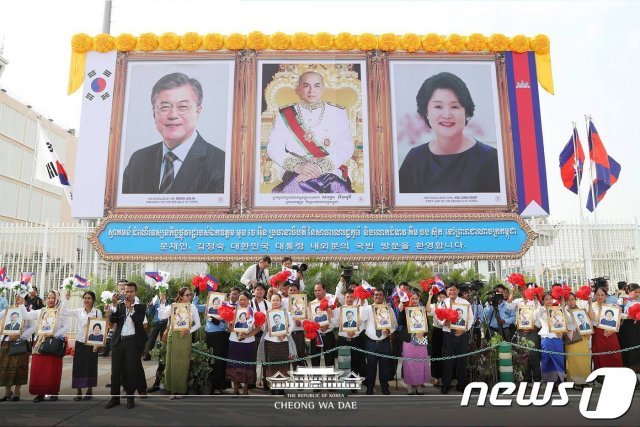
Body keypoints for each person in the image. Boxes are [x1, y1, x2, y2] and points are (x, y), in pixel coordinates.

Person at [122, 72, 225, 194]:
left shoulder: (221, 163)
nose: (173, 115)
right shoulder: (138, 160)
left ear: (198, 111)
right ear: (154, 112)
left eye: (183, 107)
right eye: (165, 107)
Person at [399, 72, 500, 194]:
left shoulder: (490, 159)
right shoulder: (415, 158)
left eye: (455, 107)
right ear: (426, 113)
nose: (447, 115)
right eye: (438, 107)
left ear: (466, 112)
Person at [266, 71, 355, 194]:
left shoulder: (337, 112)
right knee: (296, 188)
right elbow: (274, 149)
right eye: (306, 85)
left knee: (338, 190)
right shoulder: (285, 114)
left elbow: (346, 147)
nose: (311, 90)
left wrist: (320, 167)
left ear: (323, 89)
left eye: (317, 85)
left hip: (330, 170)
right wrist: (299, 167)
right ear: (299, 89)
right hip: (295, 172)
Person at [20, 290, 70, 403]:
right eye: (49, 297)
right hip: (40, 343)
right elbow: (25, 315)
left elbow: (67, 326)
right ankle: (40, 393)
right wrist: (22, 301)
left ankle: (53, 392)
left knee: (53, 369)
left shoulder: (61, 312)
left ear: (57, 299)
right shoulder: (40, 311)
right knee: (39, 369)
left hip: (54, 343)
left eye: (53, 298)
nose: (51, 300)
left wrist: (55, 335)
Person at [105, 282, 148, 410]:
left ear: (135, 293)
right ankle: (114, 398)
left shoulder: (141, 307)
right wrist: (113, 306)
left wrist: (131, 309)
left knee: (131, 371)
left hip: (132, 343)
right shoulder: (120, 306)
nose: (128, 294)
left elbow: (140, 322)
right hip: (118, 342)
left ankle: (130, 398)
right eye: (126, 291)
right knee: (115, 371)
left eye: (131, 292)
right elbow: (113, 322)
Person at [158, 287, 201, 399]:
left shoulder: (192, 307)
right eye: (187, 295)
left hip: (185, 336)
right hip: (173, 336)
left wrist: (188, 330)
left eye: (190, 294)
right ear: (181, 296)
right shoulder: (173, 305)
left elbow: (198, 324)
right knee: (171, 363)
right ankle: (172, 390)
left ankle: (180, 390)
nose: (189, 297)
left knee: (183, 364)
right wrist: (162, 302)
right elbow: (161, 316)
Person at [60, 290, 102, 401]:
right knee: (78, 367)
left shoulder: (97, 312)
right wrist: (66, 299)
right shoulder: (79, 311)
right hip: (80, 342)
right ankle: (78, 391)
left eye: (89, 298)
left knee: (91, 366)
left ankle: (89, 390)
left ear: (93, 300)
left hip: (92, 343)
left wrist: (97, 345)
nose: (86, 300)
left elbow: (101, 328)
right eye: (85, 298)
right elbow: (64, 312)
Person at [436, 283, 472, 394]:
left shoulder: (465, 303)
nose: (452, 292)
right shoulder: (442, 303)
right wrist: (444, 322)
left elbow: (471, 318)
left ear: (458, 291)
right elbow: (438, 317)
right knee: (448, 360)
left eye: (454, 290)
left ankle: (461, 385)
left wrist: (464, 330)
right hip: (448, 334)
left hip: (461, 334)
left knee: (461, 360)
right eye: (450, 290)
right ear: (446, 291)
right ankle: (446, 384)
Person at [0, 295, 35, 402]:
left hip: (21, 343)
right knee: (6, 367)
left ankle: (17, 391)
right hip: (6, 342)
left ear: (24, 300)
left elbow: (34, 327)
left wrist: (20, 335)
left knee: (20, 367)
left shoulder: (29, 311)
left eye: (20, 298)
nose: (17, 300)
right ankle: (7, 391)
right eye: (16, 298)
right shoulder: (9, 310)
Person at [226, 291, 261, 396]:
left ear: (248, 300)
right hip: (234, 341)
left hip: (248, 342)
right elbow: (229, 329)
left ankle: (246, 389)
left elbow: (258, 328)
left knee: (247, 365)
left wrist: (248, 335)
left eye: (244, 299)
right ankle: (235, 388)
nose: (241, 301)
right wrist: (230, 324)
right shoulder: (233, 312)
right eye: (240, 299)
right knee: (234, 364)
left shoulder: (253, 312)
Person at [362, 289, 396, 395]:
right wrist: (362, 305)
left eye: (380, 295)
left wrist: (389, 330)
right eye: (376, 295)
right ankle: (370, 388)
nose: (377, 297)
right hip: (371, 343)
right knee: (370, 367)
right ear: (373, 297)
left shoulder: (388, 309)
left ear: (383, 297)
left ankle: (385, 388)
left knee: (385, 367)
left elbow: (395, 324)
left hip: (384, 342)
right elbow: (362, 320)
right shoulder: (367, 308)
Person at [534, 292, 573, 384]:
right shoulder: (541, 310)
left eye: (550, 299)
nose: (549, 301)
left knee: (558, 358)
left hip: (558, 337)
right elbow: (535, 318)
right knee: (547, 359)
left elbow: (568, 320)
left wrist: (563, 306)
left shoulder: (558, 309)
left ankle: (559, 380)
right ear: (543, 301)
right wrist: (537, 304)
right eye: (546, 299)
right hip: (546, 338)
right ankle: (548, 381)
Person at [260, 294, 294, 395]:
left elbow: (291, 325)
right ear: (271, 301)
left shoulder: (286, 313)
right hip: (270, 342)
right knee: (271, 365)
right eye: (273, 300)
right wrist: (263, 323)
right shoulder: (266, 313)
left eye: (277, 300)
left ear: (280, 301)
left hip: (283, 342)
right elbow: (262, 327)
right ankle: (272, 387)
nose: (275, 302)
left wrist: (285, 334)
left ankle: (282, 387)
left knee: (283, 365)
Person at [398, 290, 431, 395]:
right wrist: (401, 310)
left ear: (419, 299)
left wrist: (423, 333)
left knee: (420, 363)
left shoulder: (422, 310)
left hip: (420, 339)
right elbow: (399, 322)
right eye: (412, 298)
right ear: (409, 299)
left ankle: (419, 386)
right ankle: (409, 386)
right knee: (409, 363)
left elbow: (427, 326)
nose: (414, 300)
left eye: (416, 298)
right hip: (409, 340)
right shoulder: (405, 310)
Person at [507, 284, 541, 383]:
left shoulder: (534, 301)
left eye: (524, 289)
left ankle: (537, 379)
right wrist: (512, 291)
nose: (523, 292)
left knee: (534, 355)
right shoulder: (517, 301)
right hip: (521, 332)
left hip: (533, 331)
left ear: (528, 290)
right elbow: (509, 306)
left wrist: (534, 327)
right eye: (521, 290)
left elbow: (539, 317)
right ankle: (527, 379)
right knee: (523, 355)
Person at [333, 289, 365, 390]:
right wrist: (330, 317)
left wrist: (355, 332)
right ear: (344, 298)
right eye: (347, 297)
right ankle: (344, 385)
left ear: (354, 298)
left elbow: (363, 324)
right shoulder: (339, 310)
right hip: (343, 340)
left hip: (356, 340)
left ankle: (353, 385)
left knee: (355, 363)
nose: (349, 299)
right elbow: (334, 323)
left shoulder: (358, 309)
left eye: (351, 297)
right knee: (343, 363)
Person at [565, 292, 593, 390]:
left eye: (572, 299)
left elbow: (588, 320)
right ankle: (574, 382)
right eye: (568, 299)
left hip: (583, 337)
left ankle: (584, 381)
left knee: (584, 359)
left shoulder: (580, 310)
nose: (571, 301)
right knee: (573, 360)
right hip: (572, 338)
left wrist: (589, 330)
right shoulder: (564, 310)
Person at [592, 287, 623, 370]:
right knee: (600, 353)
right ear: (595, 296)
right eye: (598, 295)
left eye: (602, 295)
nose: (600, 297)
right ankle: (601, 375)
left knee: (614, 353)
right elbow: (590, 318)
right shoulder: (591, 306)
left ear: (606, 296)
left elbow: (618, 319)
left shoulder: (611, 306)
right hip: (598, 333)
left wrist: (612, 330)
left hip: (611, 333)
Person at [309, 283, 337, 369]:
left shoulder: (331, 303)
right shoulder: (311, 304)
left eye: (319, 290)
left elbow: (336, 320)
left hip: (328, 335)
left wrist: (328, 326)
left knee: (329, 360)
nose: (317, 292)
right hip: (316, 335)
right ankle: (315, 380)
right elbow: (309, 320)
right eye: (315, 290)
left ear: (324, 291)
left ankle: (331, 381)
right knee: (315, 360)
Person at [618, 283, 640, 383]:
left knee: (637, 351)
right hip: (627, 327)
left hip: (637, 327)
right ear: (629, 291)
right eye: (635, 292)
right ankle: (629, 375)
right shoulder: (622, 300)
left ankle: (637, 375)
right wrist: (628, 316)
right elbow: (616, 312)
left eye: (639, 292)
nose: (637, 294)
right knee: (628, 351)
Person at [286, 282, 307, 368]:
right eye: (291, 290)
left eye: (295, 290)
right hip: (287, 333)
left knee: (300, 355)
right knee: (288, 356)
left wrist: (301, 322)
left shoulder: (303, 301)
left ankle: (299, 376)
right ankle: (288, 376)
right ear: (288, 291)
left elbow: (308, 317)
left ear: (298, 291)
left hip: (298, 332)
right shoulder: (283, 301)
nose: (292, 291)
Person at [143, 292, 169, 361]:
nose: (162, 295)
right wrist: (150, 305)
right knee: (151, 339)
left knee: (163, 339)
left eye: (163, 293)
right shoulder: (156, 302)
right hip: (156, 322)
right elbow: (149, 312)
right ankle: (147, 355)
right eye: (160, 293)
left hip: (165, 323)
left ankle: (162, 355)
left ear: (166, 294)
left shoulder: (169, 302)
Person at [429, 290, 447, 388]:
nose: (442, 298)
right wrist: (429, 296)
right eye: (440, 297)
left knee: (446, 354)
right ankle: (436, 378)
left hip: (446, 331)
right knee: (436, 354)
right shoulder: (434, 306)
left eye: (444, 297)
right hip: (437, 331)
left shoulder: (449, 307)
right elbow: (427, 310)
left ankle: (446, 378)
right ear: (438, 298)